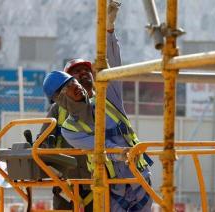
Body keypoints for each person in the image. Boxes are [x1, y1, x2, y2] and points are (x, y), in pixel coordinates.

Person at [42, 12, 153, 212]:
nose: (81, 79)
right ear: (60, 97)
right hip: (95, 186)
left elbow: (113, 65)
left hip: (137, 179)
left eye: (84, 73)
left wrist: (109, 31)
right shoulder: (69, 127)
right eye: (73, 78)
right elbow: (102, 147)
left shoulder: (108, 98)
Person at [39, 1, 121, 210]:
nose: (84, 73)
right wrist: (56, 172)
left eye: (86, 70)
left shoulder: (105, 103)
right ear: (66, 84)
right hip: (69, 189)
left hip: (104, 186)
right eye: (76, 72)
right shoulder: (58, 111)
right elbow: (42, 147)